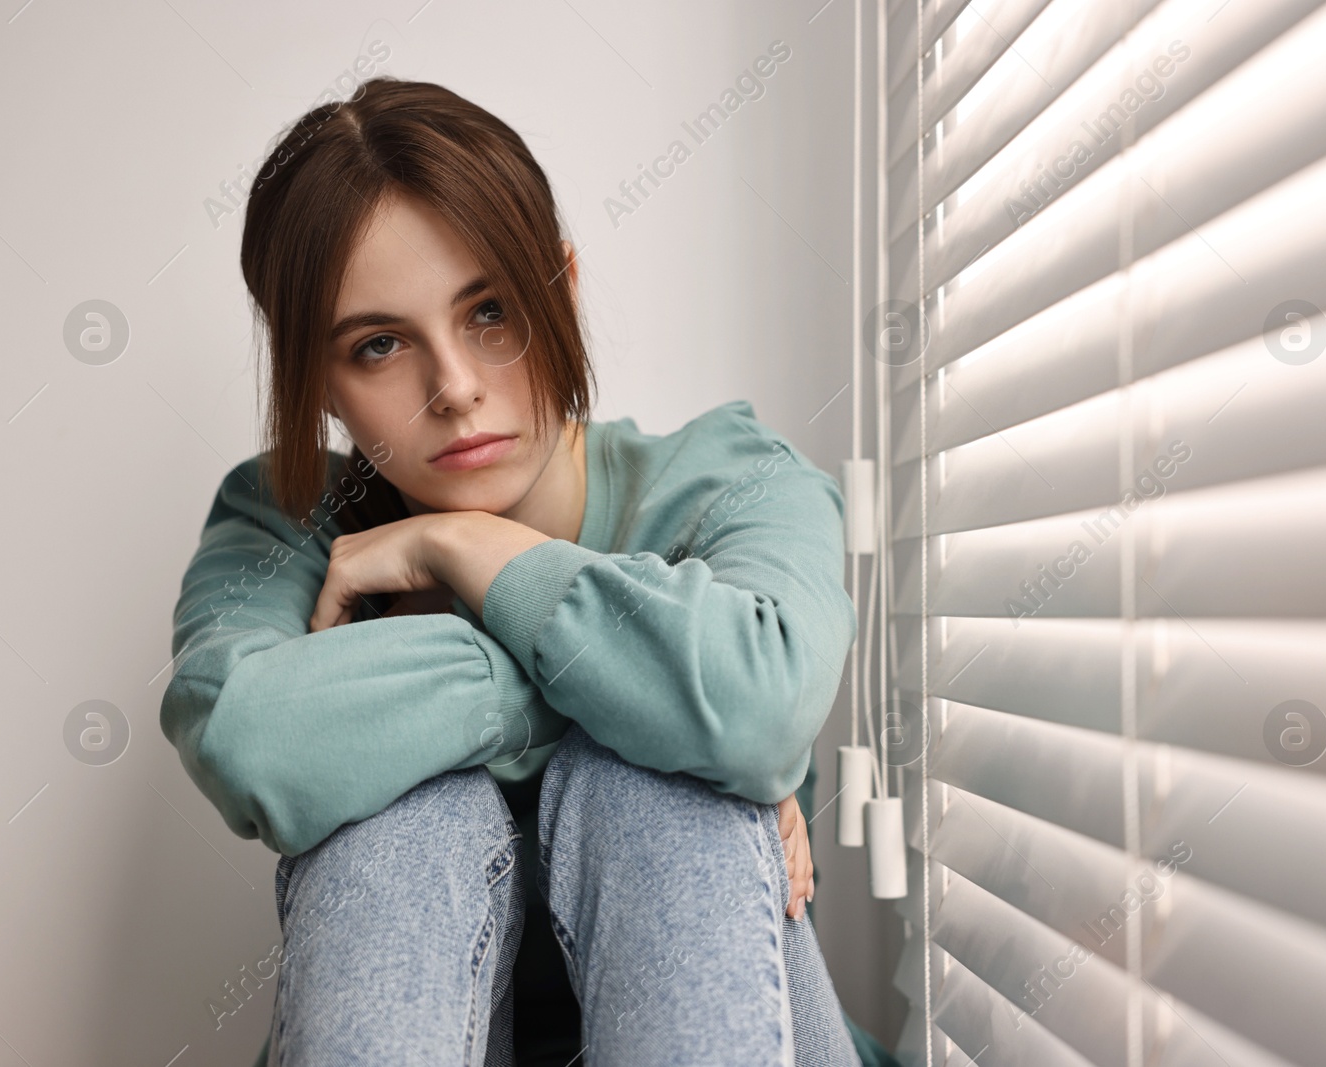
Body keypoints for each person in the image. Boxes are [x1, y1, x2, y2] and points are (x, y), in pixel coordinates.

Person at [161, 76, 864, 1066]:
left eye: (489, 311)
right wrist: (645, 683)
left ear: (560, 290)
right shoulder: (287, 521)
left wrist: (473, 551)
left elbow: (764, 698)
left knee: (650, 791)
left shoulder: (730, 482)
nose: (453, 387)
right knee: (404, 818)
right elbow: (246, 738)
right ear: (316, 380)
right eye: (377, 344)